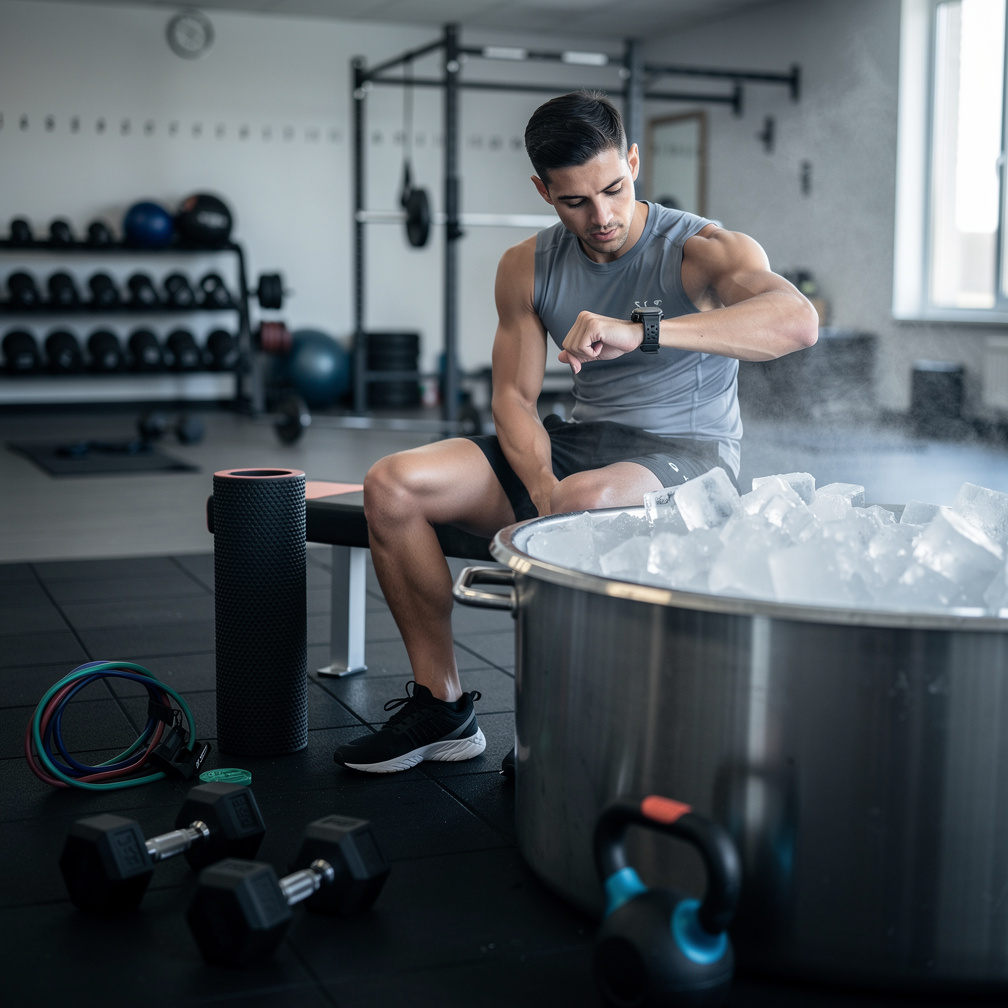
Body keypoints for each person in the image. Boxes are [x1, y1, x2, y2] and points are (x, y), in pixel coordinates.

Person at [333, 90, 818, 773]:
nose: (602, 216)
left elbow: (797, 322)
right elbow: (513, 397)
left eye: (614, 189)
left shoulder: (703, 250)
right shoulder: (527, 265)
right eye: (575, 202)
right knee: (392, 485)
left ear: (634, 162)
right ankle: (442, 708)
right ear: (544, 192)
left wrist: (643, 331)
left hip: (688, 455)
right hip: (580, 446)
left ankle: (569, 729)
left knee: (585, 499)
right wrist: (541, 490)